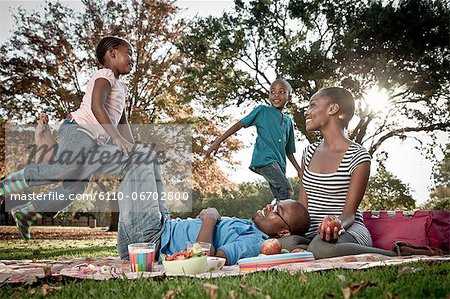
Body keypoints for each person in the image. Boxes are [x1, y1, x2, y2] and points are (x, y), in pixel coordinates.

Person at [0, 36, 138, 240]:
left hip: (93, 142)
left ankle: (27, 212)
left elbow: (122, 121)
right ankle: (10, 183)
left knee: (73, 189)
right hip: (79, 131)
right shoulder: (104, 75)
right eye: (130, 53)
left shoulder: (122, 87)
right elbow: (96, 106)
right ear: (112, 53)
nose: (133, 59)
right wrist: (116, 139)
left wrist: (134, 149)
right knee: (65, 168)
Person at [285, 87, 442, 258]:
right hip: (313, 233)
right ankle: (312, 248)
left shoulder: (358, 156)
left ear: (332, 109)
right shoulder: (308, 152)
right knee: (282, 243)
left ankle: (395, 253)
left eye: (313, 105)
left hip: (347, 230)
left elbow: (349, 214)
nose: (307, 112)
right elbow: (303, 208)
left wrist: (337, 224)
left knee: (320, 248)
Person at [119, 196, 310, 265]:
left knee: (140, 159)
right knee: (149, 160)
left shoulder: (254, 241)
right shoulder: (250, 225)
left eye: (277, 210)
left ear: (284, 233)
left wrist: (210, 218)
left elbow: (205, 258)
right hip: (163, 224)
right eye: (275, 203)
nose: (270, 206)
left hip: (153, 238)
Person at [206, 79, 302, 200]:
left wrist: (298, 170)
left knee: (280, 197)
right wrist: (217, 141)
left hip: (279, 166)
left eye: (282, 92)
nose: (276, 95)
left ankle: (274, 217)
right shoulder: (262, 111)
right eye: (272, 92)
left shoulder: (288, 122)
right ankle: (283, 217)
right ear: (269, 96)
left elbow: (289, 151)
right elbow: (238, 125)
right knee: (286, 189)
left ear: (290, 97)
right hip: (265, 160)